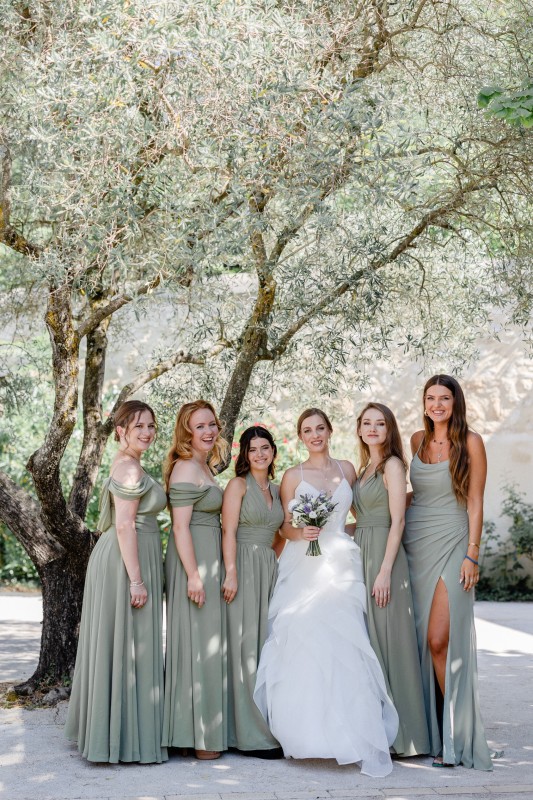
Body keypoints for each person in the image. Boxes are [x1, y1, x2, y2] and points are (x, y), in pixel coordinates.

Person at [254, 408, 398, 777]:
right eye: (307, 430)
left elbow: (358, 516)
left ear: (330, 431)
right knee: (304, 639)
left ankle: (350, 732)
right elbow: (283, 527)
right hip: (304, 564)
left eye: (320, 428)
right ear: (300, 436)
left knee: (345, 639)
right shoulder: (291, 476)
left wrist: (343, 533)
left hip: (342, 562)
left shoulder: (349, 468)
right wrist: (301, 533)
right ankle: (305, 734)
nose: (315, 435)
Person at [65, 400, 167, 764]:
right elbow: (124, 525)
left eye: (151, 426)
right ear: (121, 430)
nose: (146, 432)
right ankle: (119, 739)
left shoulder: (132, 463)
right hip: (125, 562)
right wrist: (137, 580)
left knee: (130, 644)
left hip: (131, 556)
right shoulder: (128, 468)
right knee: (125, 643)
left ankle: (122, 731)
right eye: (138, 426)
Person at [403, 375, 493, 769]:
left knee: (441, 640)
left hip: (455, 541)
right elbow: (416, 493)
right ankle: (434, 735)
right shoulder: (416, 442)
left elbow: (475, 502)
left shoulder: (470, 442)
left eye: (444, 398)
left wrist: (472, 555)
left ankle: (458, 737)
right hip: (415, 544)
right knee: (422, 643)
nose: (437, 404)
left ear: (455, 402)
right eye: (430, 398)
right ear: (424, 404)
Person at [353, 402, 429, 758]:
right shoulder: (365, 466)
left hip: (385, 558)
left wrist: (384, 571)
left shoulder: (393, 464)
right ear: (359, 429)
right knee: (372, 643)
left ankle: (408, 737)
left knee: (391, 639)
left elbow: (396, 521)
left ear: (389, 429)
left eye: (379, 423)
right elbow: (363, 517)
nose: (372, 428)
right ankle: (381, 730)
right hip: (363, 551)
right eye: (366, 423)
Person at [161, 400, 228, 760]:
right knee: (197, 643)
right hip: (193, 560)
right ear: (187, 431)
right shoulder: (186, 468)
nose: (208, 431)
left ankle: (202, 732)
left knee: (207, 643)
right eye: (200, 426)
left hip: (208, 557)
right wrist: (193, 576)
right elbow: (180, 526)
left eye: (212, 425)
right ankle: (199, 737)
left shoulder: (204, 466)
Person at [222, 426, 285, 758]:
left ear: (273, 452)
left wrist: (271, 561)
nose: (259, 454)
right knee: (245, 646)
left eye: (265, 448)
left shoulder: (276, 489)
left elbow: (281, 534)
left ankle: (266, 723)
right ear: (244, 455)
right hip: (242, 566)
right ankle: (249, 736)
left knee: (264, 646)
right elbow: (228, 531)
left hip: (268, 569)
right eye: (252, 449)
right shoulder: (237, 486)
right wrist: (231, 573)